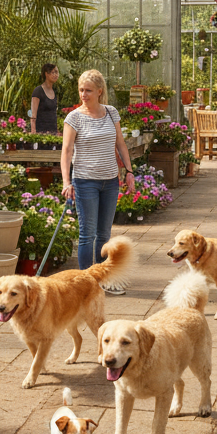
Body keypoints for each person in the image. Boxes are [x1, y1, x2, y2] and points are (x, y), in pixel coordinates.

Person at [60, 69, 135, 293]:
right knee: (87, 234)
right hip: (85, 182)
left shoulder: (111, 113)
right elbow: (66, 151)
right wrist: (66, 182)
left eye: (88, 90)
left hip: (110, 181)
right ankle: (86, 284)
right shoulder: (74, 118)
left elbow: (121, 144)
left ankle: (104, 279)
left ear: (99, 91)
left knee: (104, 234)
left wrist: (129, 171)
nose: (84, 94)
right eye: (81, 90)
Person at [30, 64, 60, 148]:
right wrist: (33, 131)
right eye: (53, 72)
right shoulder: (38, 91)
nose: (56, 75)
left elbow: (53, 113)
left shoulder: (55, 91)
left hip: (53, 130)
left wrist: (57, 131)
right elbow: (33, 113)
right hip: (41, 131)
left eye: (57, 72)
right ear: (46, 74)